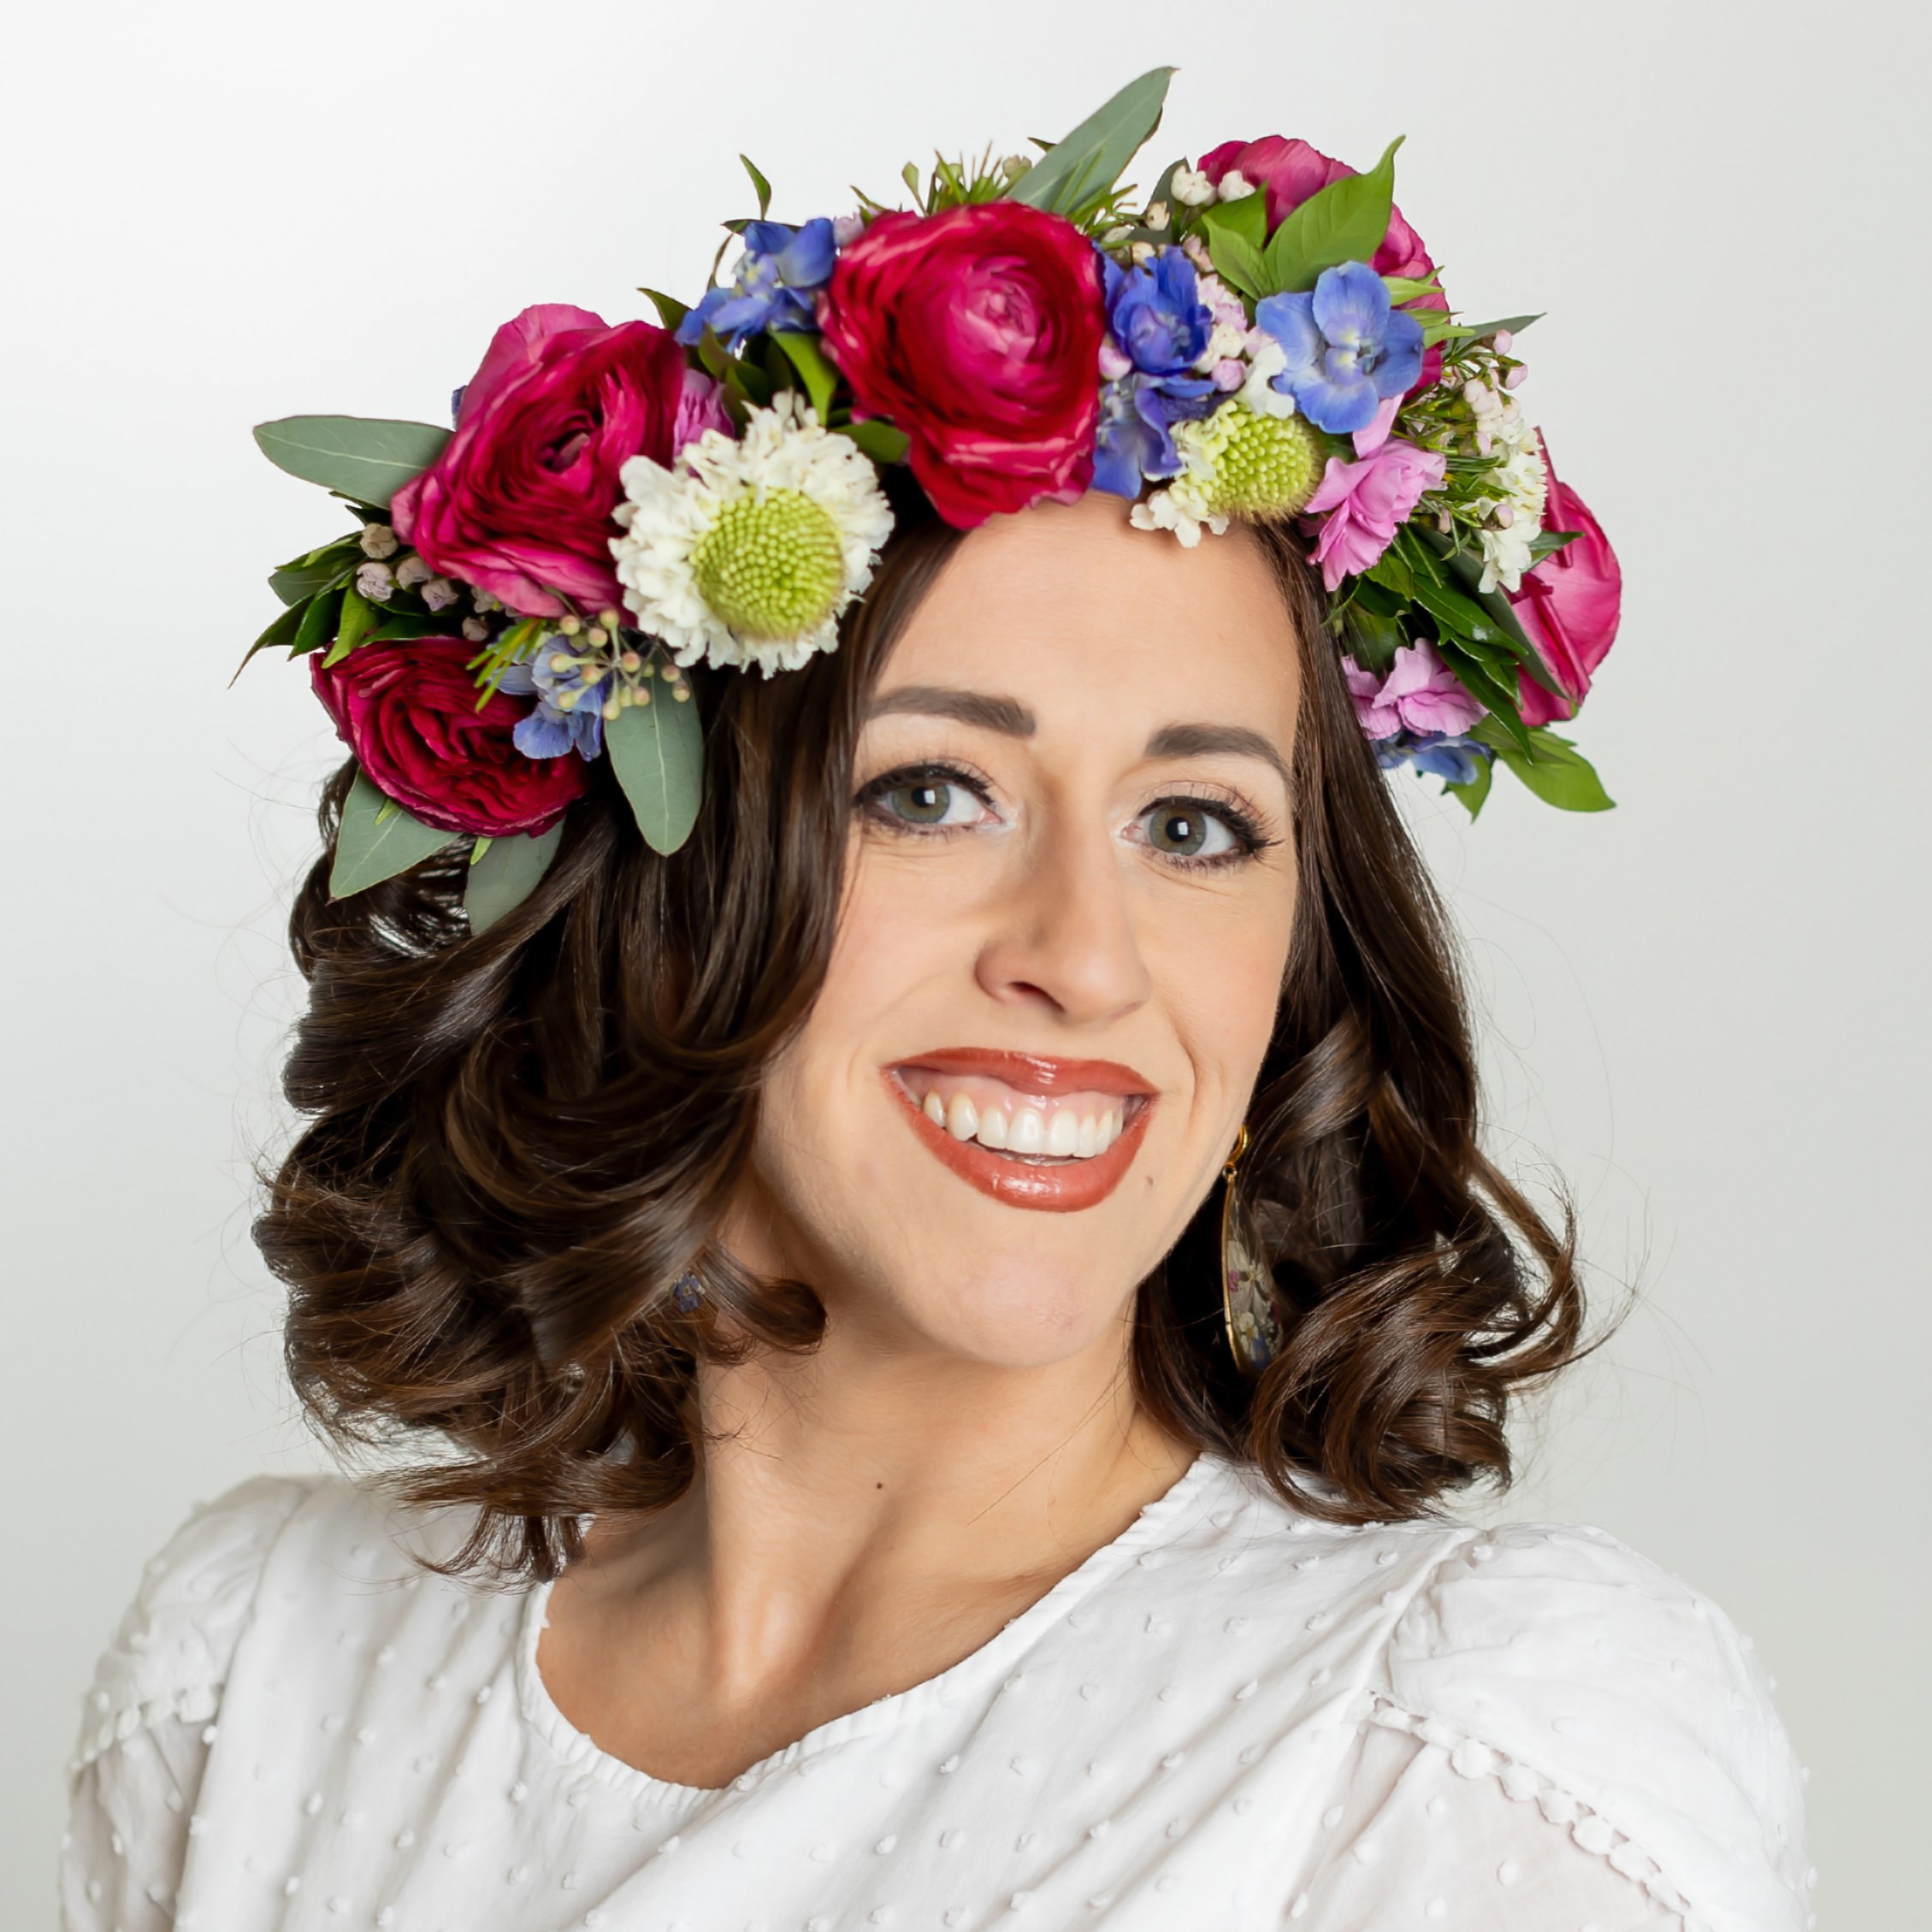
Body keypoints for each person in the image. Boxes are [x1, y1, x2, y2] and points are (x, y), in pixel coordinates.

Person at [62, 77, 1810, 1932]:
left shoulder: (1459, 1752)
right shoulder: (252, 1669)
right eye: (929, 792)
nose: (1085, 954)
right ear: (651, 873)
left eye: (1194, 825)